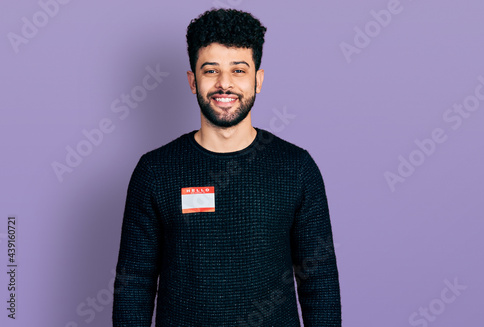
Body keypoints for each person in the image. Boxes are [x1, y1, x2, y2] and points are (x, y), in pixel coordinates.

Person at [113, 8, 341, 326]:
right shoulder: (155, 171)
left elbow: (320, 284)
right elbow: (134, 286)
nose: (224, 85)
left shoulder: (296, 168)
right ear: (193, 80)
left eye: (238, 71)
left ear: (257, 80)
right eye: (211, 71)